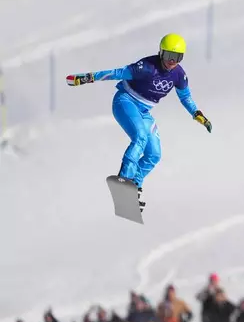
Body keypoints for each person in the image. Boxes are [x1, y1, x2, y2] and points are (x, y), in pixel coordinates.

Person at [66, 33, 212, 211]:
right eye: (169, 56)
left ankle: (134, 186)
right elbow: (117, 73)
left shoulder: (179, 75)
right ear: (161, 53)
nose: (172, 61)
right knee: (140, 137)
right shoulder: (147, 67)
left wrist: (197, 113)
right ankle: (124, 179)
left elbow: (185, 97)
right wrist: (87, 77)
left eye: (177, 57)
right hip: (125, 102)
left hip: (143, 111)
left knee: (154, 154)